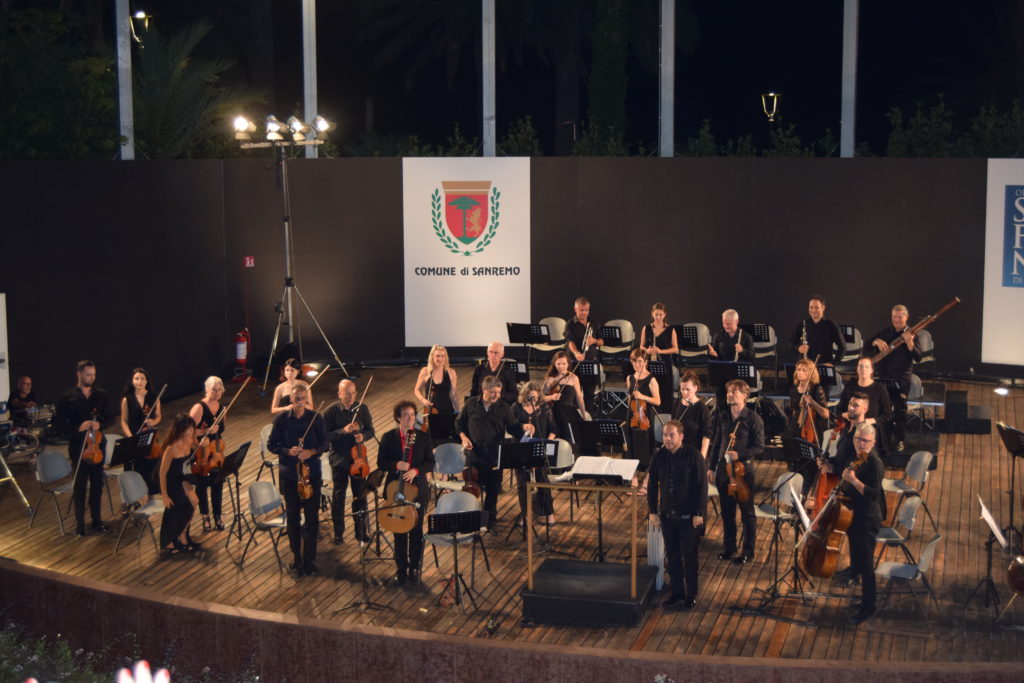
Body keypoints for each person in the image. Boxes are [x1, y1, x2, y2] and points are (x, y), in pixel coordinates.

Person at [822, 422, 886, 625]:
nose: (861, 444)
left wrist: (854, 481)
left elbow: (873, 494)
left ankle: (869, 606)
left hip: (867, 518)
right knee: (858, 559)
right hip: (853, 514)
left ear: (873, 442)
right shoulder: (855, 457)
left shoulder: (874, 463)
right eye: (858, 439)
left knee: (866, 565)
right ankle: (864, 601)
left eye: (866, 441)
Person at [268, 382, 327, 577]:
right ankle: (296, 558)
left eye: (303, 398)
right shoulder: (281, 420)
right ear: (291, 399)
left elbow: (325, 443)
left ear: (306, 399)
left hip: (311, 475)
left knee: (312, 518)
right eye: (296, 398)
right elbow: (272, 445)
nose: (300, 401)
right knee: (293, 518)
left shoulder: (316, 418)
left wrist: (311, 451)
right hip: (290, 476)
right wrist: (288, 451)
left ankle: (310, 559)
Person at [458, 376, 534, 528]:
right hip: (474, 455)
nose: (497, 395)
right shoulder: (471, 404)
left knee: (492, 491)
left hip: (494, 455)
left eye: (499, 392)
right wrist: (464, 438)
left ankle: (489, 522)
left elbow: (513, 427)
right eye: (493, 392)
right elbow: (459, 423)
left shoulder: (503, 407)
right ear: (484, 390)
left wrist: (524, 428)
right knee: (471, 490)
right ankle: (471, 520)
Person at [648, 420, 707, 610]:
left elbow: (701, 486)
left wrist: (699, 512)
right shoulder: (658, 456)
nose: (667, 439)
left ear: (681, 436)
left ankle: (691, 594)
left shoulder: (694, 456)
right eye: (665, 435)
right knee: (672, 556)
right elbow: (652, 485)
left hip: (689, 516)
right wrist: (652, 512)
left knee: (690, 557)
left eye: (671, 435)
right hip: (667, 516)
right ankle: (677, 592)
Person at [377, 401, 434, 585]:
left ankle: (414, 566)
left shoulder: (423, 437)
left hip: (418, 489)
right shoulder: (388, 437)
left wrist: (416, 471)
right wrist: (396, 465)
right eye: (405, 415)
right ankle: (401, 567)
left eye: (412, 415)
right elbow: (381, 462)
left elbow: (430, 462)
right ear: (398, 418)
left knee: (416, 529)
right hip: (395, 489)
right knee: (398, 529)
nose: (410, 419)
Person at [708, 379, 764, 565]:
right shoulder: (723, 416)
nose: (729, 395)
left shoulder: (753, 419)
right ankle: (729, 547)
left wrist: (740, 454)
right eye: (728, 392)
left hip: (743, 472)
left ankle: (748, 551)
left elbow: (759, 447)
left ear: (745, 396)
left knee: (747, 514)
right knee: (727, 513)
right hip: (723, 471)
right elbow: (717, 443)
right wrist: (711, 467)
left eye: (734, 392)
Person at [56, 360, 114, 537]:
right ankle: (80, 524)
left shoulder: (101, 394)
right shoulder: (67, 397)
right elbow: (59, 425)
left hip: (97, 446)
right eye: (88, 374)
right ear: (79, 374)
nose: (92, 378)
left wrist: (100, 424)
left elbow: (111, 418)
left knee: (97, 484)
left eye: (94, 375)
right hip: (78, 447)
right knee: (80, 486)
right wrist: (77, 428)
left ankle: (97, 521)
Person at [323, 379, 375, 545]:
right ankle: (339, 533)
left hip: (358, 458)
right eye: (347, 394)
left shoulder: (362, 408)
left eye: (354, 393)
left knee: (360, 495)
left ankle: (361, 531)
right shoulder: (330, 412)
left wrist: (362, 436)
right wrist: (343, 431)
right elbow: (325, 437)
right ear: (339, 394)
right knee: (339, 497)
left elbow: (371, 431)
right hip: (339, 459)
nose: (351, 397)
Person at [867, 304, 922, 452]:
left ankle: (900, 440)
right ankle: (884, 438)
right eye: (894, 317)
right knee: (883, 410)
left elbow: (918, 357)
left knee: (900, 412)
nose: (897, 320)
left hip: (902, 380)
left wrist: (910, 343)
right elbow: (866, 345)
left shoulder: (913, 334)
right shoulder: (885, 332)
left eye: (900, 317)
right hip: (884, 378)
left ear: (906, 317)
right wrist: (876, 341)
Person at [512, 381, 556, 526]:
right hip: (521, 449)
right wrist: (522, 427)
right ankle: (525, 514)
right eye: (530, 397)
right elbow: (510, 427)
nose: (533, 400)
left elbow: (553, 429)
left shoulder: (544, 408)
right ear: (525, 395)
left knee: (542, 480)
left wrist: (547, 442)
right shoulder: (516, 408)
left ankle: (549, 513)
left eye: (535, 398)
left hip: (538, 449)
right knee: (522, 484)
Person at [158, 414, 200, 555]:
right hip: (169, 479)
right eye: (188, 429)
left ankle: (182, 533)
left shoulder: (190, 440)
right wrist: (164, 496)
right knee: (177, 504)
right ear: (181, 430)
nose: (191, 431)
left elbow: (199, 449)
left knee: (194, 501)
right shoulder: (171, 448)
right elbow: (162, 474)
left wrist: (203, 444)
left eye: (192, 428)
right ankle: (169, 540)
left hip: (181, 477)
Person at [189, 376, 226, 532]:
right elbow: (188, 431)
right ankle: (205, 517)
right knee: (202, 484)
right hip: (201, 452)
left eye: (219, 390)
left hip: (216, 450)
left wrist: (215, 432)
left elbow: (221, 429)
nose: (216, 393)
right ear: (206, 390)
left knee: (218, 482)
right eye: (213, 390)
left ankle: (218, 515)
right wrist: (205, 431)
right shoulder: (199, 408)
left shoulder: (222, 407)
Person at [835, 356, 892, 458]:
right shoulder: (850, 386)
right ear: (857, 369)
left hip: (871, 430)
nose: (863, 369)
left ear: (871, 370)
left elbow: (887, 415)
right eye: (861, 366)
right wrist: (845, 415)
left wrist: (871, 420)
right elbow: (839, 410)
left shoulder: (880, 389)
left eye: (866, 367)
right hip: (852, 429)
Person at [120, 367, 162, 495]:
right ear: (132, 381)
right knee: (139, 467)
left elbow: (158, 416)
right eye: (136, 378)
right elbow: (124, 421)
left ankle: (153, 492)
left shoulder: (153, 397)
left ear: (146, 381)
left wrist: (153, 422)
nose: (139, 381)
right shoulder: (127, 399)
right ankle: (141, 494)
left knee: (154, 464)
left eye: (142, 379)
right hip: (134, 436)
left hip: (150, 436)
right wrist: (130, 437)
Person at [708, 309, 754, 409]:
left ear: (737, 322)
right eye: (724, 323)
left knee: (737, 400)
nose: (725, 326)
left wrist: (742, 350)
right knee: (721, 401)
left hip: (739, 373)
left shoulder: (746, 337)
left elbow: (752, 355)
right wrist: (712, 354)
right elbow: (714, 354)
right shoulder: (718, 336)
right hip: (723, 371)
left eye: (728, 324)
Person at [564, 297, 603, 414]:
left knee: (589, 395)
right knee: (574, 395)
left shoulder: (594, 323)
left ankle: (588, 418)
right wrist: (576, 353)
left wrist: (594, 341)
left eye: (586, 310)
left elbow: (602, 341)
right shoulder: (570, 324)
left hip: (590, 361)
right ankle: (576, 418)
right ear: (575, 309)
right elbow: (570, 342)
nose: (584, 313)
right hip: (575, 362)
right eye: (581, 310)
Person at [625, 348, 660, 473]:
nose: (637, 364)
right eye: (634, 362)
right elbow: (630, 397)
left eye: (639, 361)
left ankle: (647, 476)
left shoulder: (651, 379)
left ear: (645, 362)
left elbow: (658, 401)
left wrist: (642, 396)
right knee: (631, 444)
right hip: (632, 414)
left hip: (645, 416)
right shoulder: (630, 378)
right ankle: (633, 475)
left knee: (645, 445)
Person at [542, 350, 585, 449]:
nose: (561, 366)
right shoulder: (550, 379)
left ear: (568, 364)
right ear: (554, 364)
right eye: (558, 364)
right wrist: (551, 397)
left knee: (575, 437)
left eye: (564, 364)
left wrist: (583, 415)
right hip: (554, 412)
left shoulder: (574, 378)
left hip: (569, 412)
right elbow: (541, 398)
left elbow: (580, 398)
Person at [414, 345, 459, 437]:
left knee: (447, 436)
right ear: (432, 357)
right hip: (430, 411)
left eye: (442, 356)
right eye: (437, 356)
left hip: (447, 410)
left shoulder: (451, 372)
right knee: (430, 437)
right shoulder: (425, 372)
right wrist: (423, 400)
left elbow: (454, 394)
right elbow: (417, 389)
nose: (440, 359)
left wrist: (458, 411)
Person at [788, 295, 845, 365]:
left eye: (816, 307)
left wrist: (833, 363)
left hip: (824, 364)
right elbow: (790, 343)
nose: (813, 310)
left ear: (823, 308)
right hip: (806, 365)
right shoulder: (803, 324)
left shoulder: (831, 325)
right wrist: (798, 348)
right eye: (811, 307)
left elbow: (842, 347)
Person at [787, 358, 829, 445]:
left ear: (810, 373)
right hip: (796, 426)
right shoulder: (794, 389)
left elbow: (826, 414)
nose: (800, 372)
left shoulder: (817, 389)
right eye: (798, 369)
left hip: (812, 428)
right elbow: (794, 411)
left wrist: (812, 402)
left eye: (804, 370)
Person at [672, 371, 712, 461]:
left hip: (694, 454)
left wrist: (701, 458)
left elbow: (706, 436)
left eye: (687, 389)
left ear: (695, 388)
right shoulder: (677, 403)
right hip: (678, 452)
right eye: (682, 389)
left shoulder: (702, 408)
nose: (684, 392)